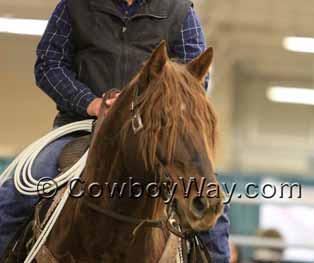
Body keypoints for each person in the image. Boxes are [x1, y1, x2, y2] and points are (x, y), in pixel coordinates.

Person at [0, 0, 231, 261]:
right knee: (17, 193)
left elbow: (195, 78)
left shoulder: (178, 10)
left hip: (154, 133)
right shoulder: (75, 6)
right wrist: (92, 103)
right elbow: (49, 64)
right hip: (81, 128)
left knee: (213, 206)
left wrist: (152, 106)